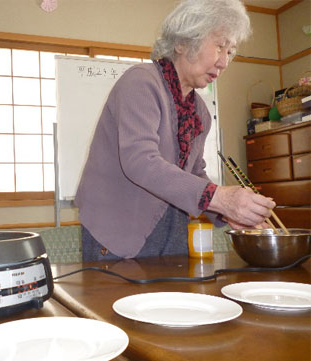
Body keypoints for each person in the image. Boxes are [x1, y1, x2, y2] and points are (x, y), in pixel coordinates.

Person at [75, 0, 276, 261]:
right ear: (183, 42)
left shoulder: (200, 111)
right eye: (219, 46)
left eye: (231, 52)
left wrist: (228, 212)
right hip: (117, 231)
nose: (224, 62)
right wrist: (221, 199)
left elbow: (195, 172)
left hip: (172, 233)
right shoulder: (140, 82)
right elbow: (140, 161)